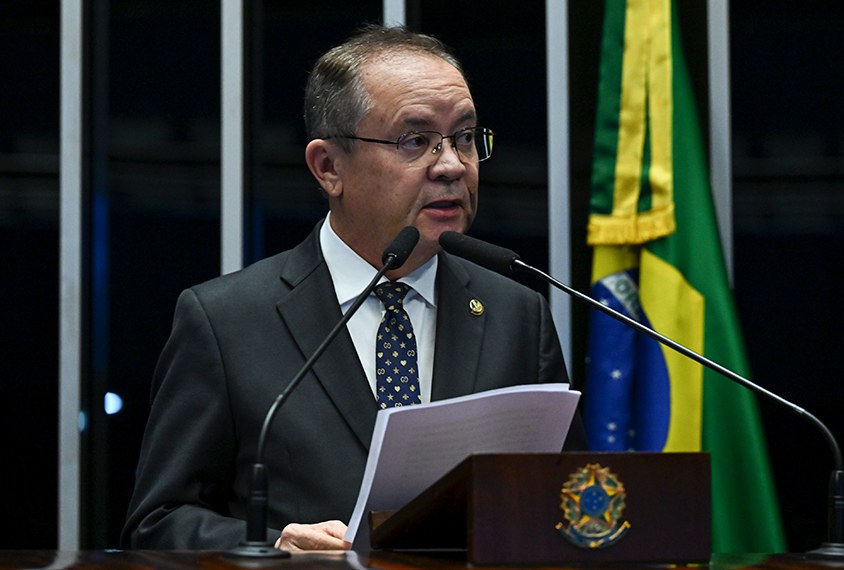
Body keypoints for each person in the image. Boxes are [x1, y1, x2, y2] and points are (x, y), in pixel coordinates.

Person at [122, 23, 585, 553]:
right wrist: (272, 548)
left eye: (464, 138)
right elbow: (156, 524)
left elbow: (572, 507)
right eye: (416, 141)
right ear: (328, 168)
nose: (452, 166)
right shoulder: (228, 322)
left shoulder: (517, 314)